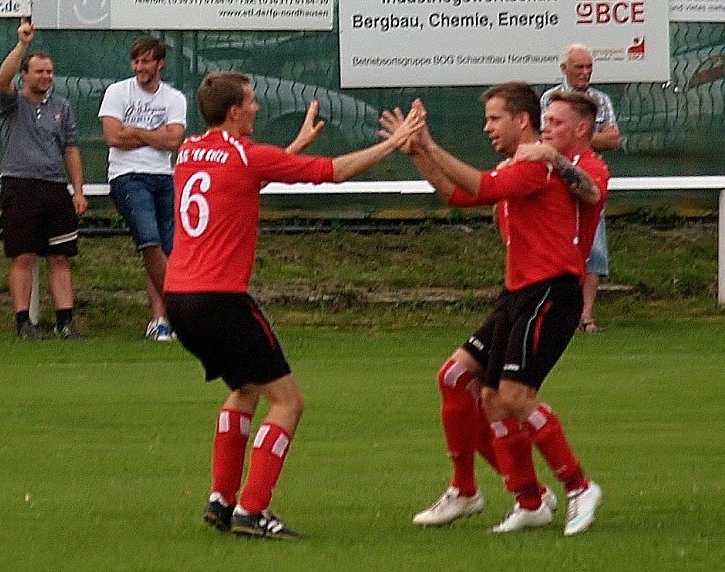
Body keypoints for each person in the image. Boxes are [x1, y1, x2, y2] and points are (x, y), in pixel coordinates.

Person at [164, 71, 422, 540]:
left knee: (244, 388)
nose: (258, 108)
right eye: (252, 101)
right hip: (221, 298)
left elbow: (237, 184)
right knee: (287, 402)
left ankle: (222, 501)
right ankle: (252, 510)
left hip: (178, 299)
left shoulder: (188, 152)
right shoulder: (247, 156)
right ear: (235, 111)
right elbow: (335, 172)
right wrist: (394, 143)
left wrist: (292, 148)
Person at [381, 84, 608, 536]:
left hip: (550, 292)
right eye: (546, 122)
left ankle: (579, 486)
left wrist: (430, 144)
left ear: (581, 129)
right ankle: (507, 496)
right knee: (462, 381)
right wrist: (417, 153)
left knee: (512, 399)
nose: (547, 129)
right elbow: (460, 194)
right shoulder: (529, 162)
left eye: (556, 123)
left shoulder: (562, 166)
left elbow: (485, 187)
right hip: (517, 292)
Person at [0, 18, 87, 340]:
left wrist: (77, 190)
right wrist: (22, 44)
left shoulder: (62, 106)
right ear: (26, 74)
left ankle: (65, 321)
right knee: (24, 254)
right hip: (20, 185)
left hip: (54, 188)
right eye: (39, 71)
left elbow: (71, 148)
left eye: (49, 71)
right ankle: (24, 323)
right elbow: (2, 80)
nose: (46, 76)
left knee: (60, 256)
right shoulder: (12, 103)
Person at [99, 35, 187, 341]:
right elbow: (113, 137)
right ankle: (180, 312)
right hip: (128, 176)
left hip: (164, 176)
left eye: (147, 60)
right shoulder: (117, 92)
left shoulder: (174, 98)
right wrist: (153, 134)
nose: (140, 67)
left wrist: (134, 131)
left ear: (160, 63)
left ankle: (160, 320)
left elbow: (174, 141)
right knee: (149, 243)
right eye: (136, 61)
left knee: (168, 249)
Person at [541, 43, 621, 334]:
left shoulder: (601, 98)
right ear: (564, 69)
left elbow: (614, 140)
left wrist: (580, 139)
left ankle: (585, 315)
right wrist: (591, 137)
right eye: (579, 67)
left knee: (595, 249)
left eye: (589, 67)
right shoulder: (551, 98)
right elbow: (549, 140)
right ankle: (557, 312)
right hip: (558, 183)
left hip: (590, 177)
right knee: (558, 246)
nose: (585, 73)